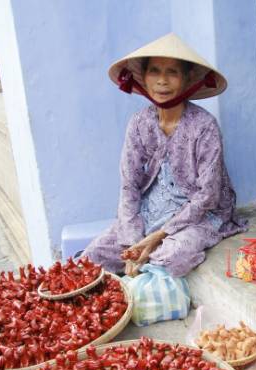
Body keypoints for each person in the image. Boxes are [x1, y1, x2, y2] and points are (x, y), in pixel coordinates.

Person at [83, 33, 247, 278]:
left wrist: (158, 237)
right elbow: (129, 185)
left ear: (187, 79)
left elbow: (208, 195)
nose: (162, 81)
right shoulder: (139, 123)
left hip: (199, 214)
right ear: (144, 78)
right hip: (152, 210)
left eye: (172, 72)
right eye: (155, 71)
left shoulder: (204, 126)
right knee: (93, 256)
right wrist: (132, 243)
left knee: (166, 260)